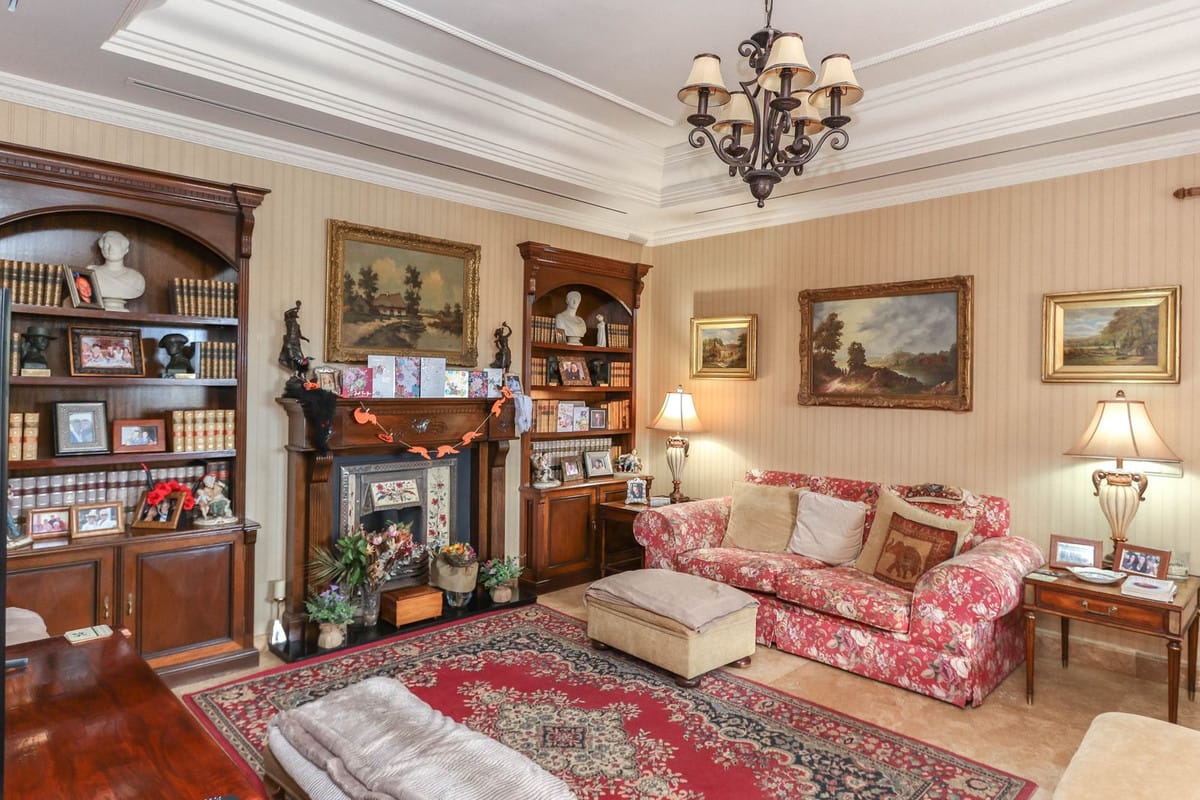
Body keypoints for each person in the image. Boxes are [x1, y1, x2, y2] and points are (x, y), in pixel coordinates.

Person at [92, 230, 145, 312]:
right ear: (101, 249)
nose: (110, 249)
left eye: (115, 245)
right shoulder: (91, 272)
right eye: (107, 245)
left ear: (126, 250)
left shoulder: (137, 278)